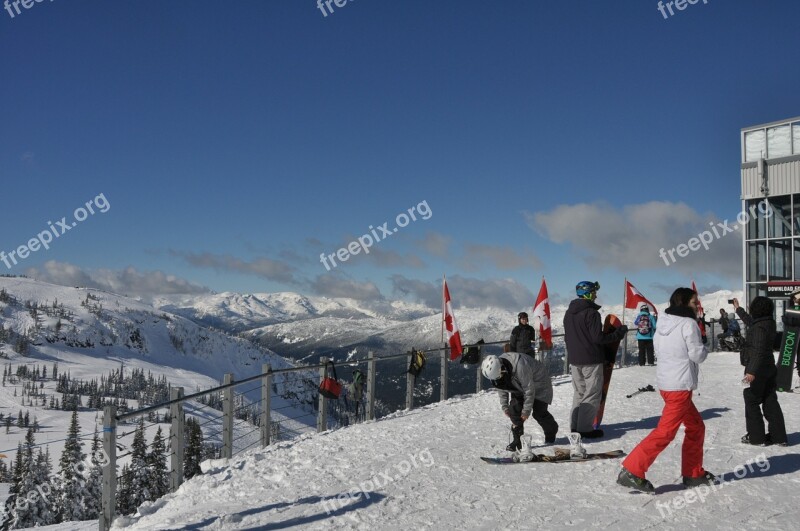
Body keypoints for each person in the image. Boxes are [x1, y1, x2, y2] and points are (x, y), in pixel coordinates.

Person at [616, 287, 716, 493]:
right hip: (680, 386)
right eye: (694, 302)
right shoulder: (689, 324)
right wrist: (703, 346)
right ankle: (632, 469)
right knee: (666, 432)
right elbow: (698, 355)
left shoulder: (663, 321)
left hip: (667, 382)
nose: (697, 305)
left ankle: (693, 473)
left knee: (696, 427)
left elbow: (660, 347)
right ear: (684, 303)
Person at [563, 280, 628, 438]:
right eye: (594, 292)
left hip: (575, 359)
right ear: (588, 293)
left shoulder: (569, 312)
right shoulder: (591, 313)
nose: (596, 294)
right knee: (592, 393)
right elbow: (597, 338)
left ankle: (575, 426)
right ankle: (584, 429)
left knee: (579, 392)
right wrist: (618, 334)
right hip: (591, 359)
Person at [734, 297, 788, 446]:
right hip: (769, 368)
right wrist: (738, 309)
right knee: (769, 399)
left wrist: (751, 371)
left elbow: (758, 351)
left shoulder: (758, 328)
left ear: (755, 309)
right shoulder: (767, 323)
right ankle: (779, 437)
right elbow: (750, 322)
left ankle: (756, 437)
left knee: (751, 398)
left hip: (759, 370)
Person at [481, 352, 558, 450]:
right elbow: (501, 386)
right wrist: (504, 406)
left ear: (502, 368)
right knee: (514, 409)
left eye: (499, 375)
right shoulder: (499, 370)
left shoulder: (520, 366)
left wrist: (526, 411)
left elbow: (529, 389)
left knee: (539, 413)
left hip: (539, 383)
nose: (499, 377)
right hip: (520, 385)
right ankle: (518, 442)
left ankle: (551, 431)